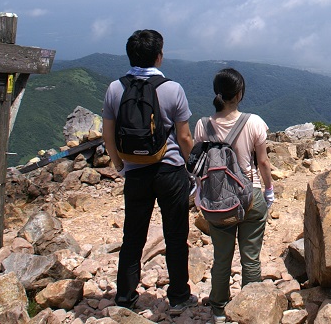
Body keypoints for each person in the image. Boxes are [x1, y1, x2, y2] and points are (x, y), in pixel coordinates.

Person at [102, 29, 198, 315]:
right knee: (176, 234)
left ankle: (125, 297)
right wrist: (189, 166)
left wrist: (120, 164)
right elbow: (184, 138)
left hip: (135, 172)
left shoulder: (115, 88)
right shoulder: (172, 89)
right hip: (170, 172)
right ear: (159, 56)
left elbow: (108, 134)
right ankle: (179, 295)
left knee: (133, 236)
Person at [194, 68, 274, 324]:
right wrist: (269, 191)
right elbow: (263, 163)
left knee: (221, 258)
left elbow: (198, 165)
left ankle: (218, 309)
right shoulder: (254, 123)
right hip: (250, 196)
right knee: (250, 257)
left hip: (217, 201)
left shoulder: (202, 125)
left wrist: (198, 195)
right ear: (240, 94)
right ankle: (250, 309)